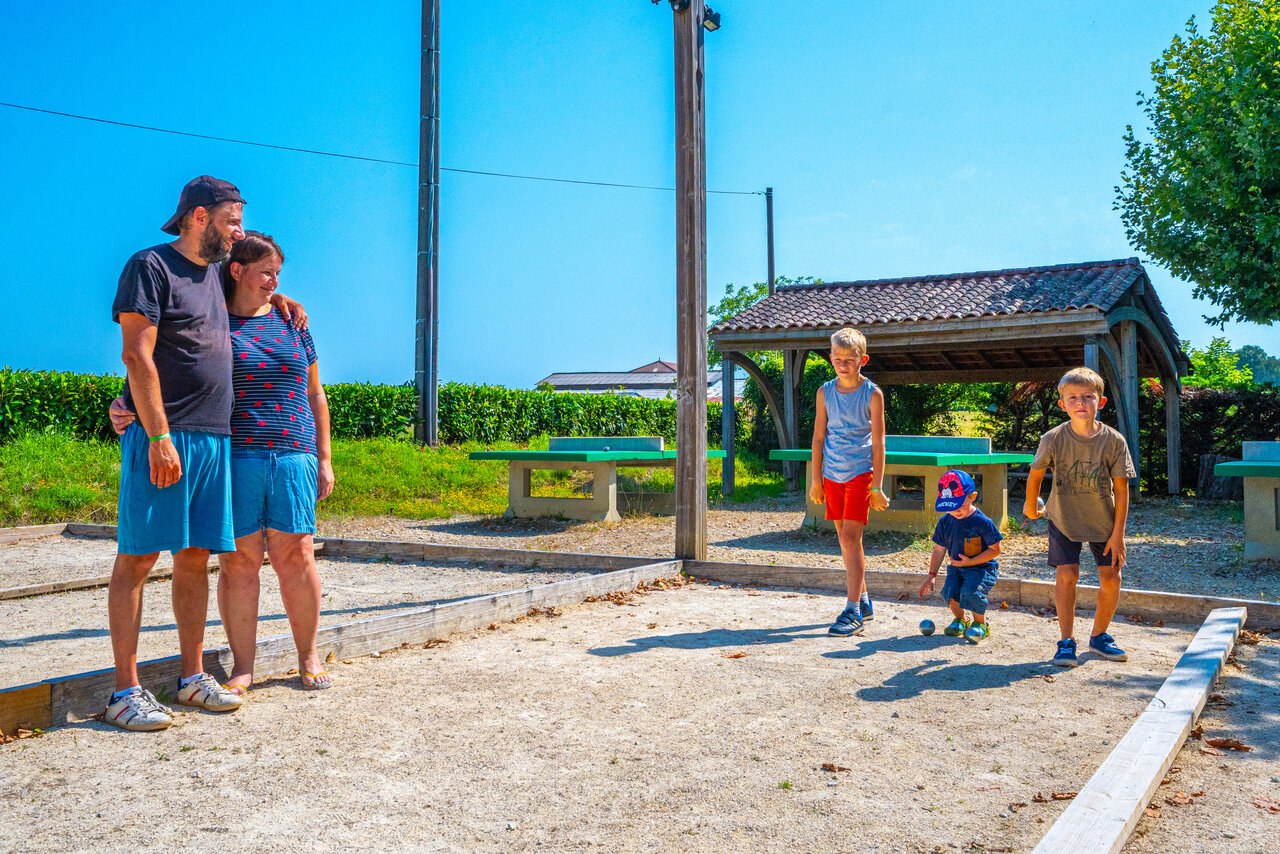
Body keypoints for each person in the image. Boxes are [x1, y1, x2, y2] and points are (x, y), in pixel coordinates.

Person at [106, 177, 307, 732]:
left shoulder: (216, 277)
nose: (238, 232)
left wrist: (282, 296)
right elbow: (136, 354)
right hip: (166, 437)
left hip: (217, 437)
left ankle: (192, 677)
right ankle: (125, 690)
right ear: (200, 216)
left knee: (194, 556)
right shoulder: (150, 267)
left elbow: (250, 290)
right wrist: (156, 434)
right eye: (232, 221)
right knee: (139, 557)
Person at [1023, 367, 1135, 667]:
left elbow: (1122, 492)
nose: (1080, 402)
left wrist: (1118, 535)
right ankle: (1066, 642)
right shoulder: (1053, 438)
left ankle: (1099, 637)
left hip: (1104, 522)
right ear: (1063, 404)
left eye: (1088, 396)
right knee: (1067, 575)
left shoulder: (1114, 441)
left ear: (1102, 401)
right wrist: (1029, 505)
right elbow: (1036, 474)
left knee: (1111, 576)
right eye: (1073, 397)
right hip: (1063, 518)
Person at [809, 327, 890, 637]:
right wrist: (816, 480)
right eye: (837, 359)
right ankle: (865, 602)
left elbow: (879, 443)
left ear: (863, 360)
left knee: (849, 539)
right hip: (831, 473)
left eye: (849, 359)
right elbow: (818, 437)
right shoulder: (824, 392)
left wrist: (877, 486)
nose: (843, 364)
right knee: (845, 539)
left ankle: (852, 609)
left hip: (860, 472)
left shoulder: (873, 393)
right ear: (831, 359)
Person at [917, 470, 1003, 642]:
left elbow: (996, 549)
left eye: (960, 505)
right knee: (951, 592)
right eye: (950, 507)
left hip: (981, 568)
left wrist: (972, 561)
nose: (956, 510)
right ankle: (961, 619)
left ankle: (981, 624)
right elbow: (939, 549)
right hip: (957, 568)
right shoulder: (945, 522)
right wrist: (931, 576)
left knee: (971, 592)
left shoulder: (983, 522)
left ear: (973, 496)